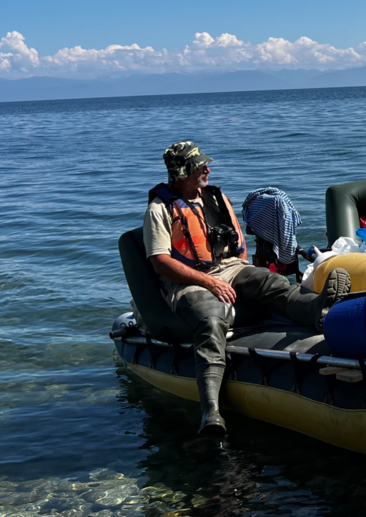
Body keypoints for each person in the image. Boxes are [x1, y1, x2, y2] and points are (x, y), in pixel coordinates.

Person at [144, 141, 351, 435]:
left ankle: (318, 308)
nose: (207, 170)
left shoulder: (214, 197)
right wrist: (208, 282)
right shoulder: (159, 209)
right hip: (186, 280)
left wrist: (243, 273)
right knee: (210, 317)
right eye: (199, 167)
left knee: (271, 282)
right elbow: (160, 262)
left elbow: (236, 246)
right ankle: (211, 411)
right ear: (182, 172)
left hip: (228, 267)